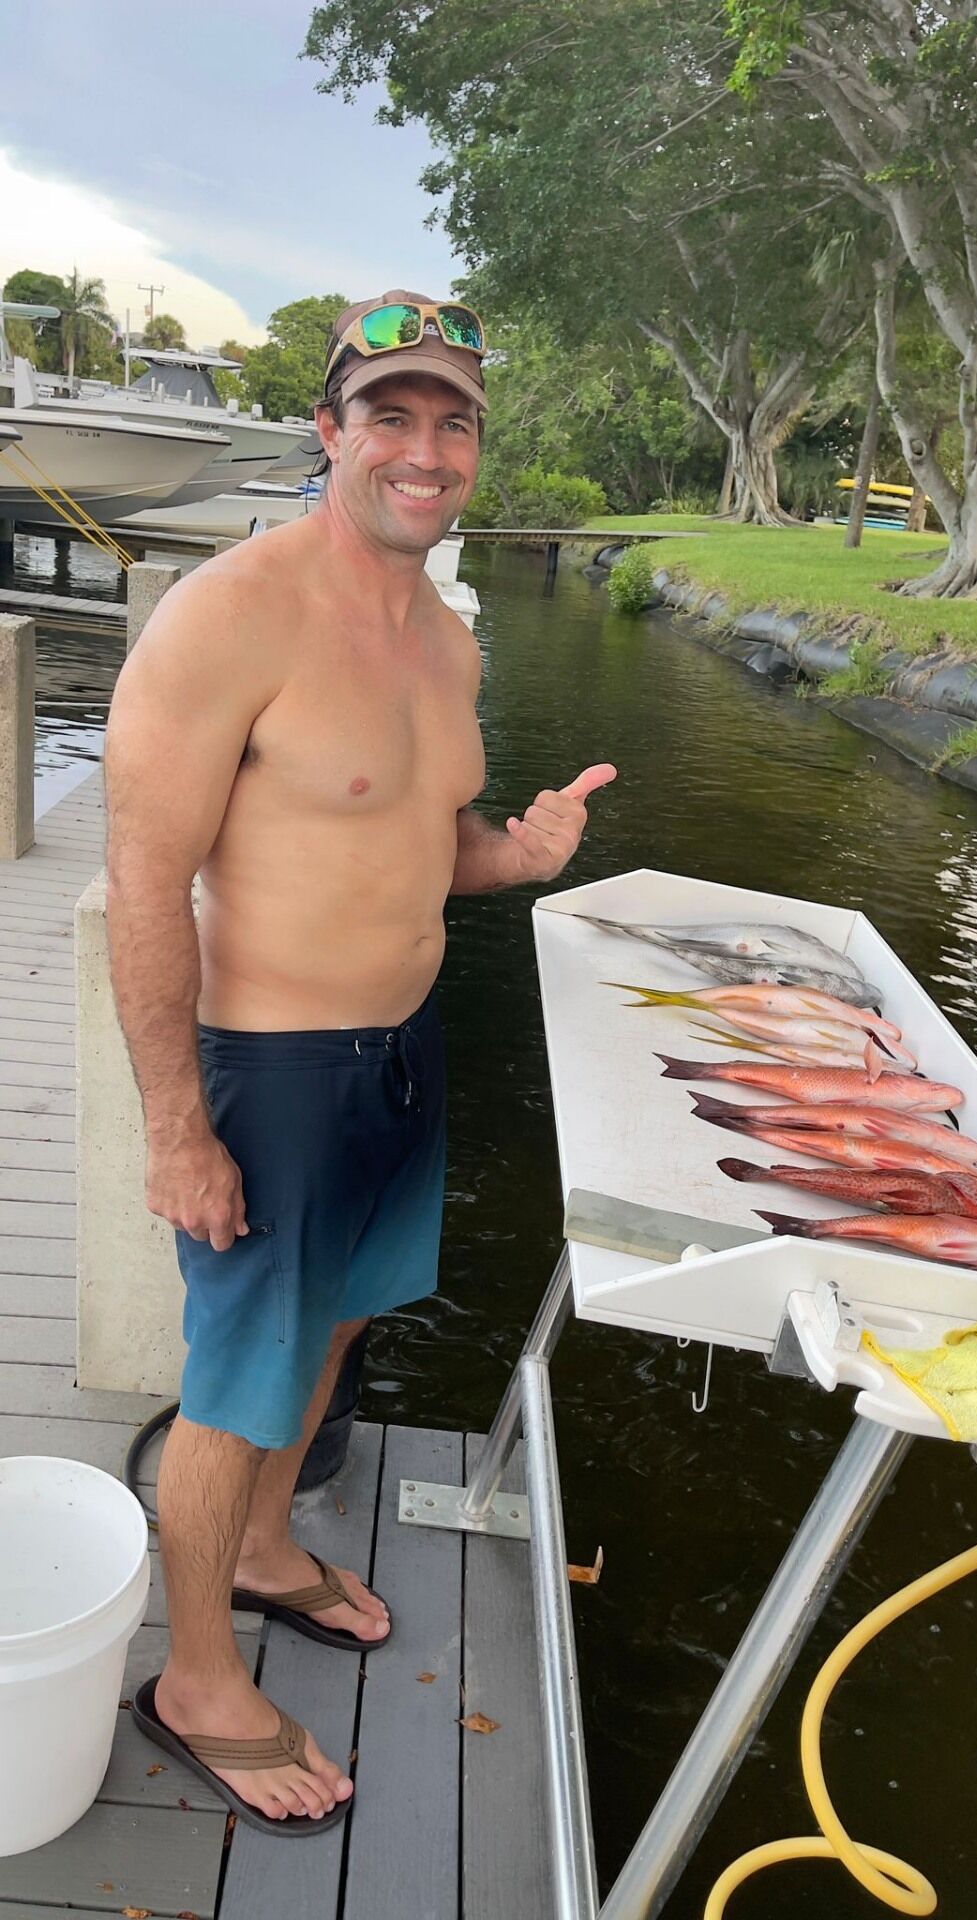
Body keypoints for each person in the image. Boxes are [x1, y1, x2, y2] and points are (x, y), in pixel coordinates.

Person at [104, 291, 616, 1833]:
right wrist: (178, 1128)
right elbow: (146, 881)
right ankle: (199, 1682)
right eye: (391, 414)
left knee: (336, 1326)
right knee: (234, 1383)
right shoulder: (231, 618)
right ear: (329, 430)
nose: (425, 449)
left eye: (453, 421)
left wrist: (517, 853)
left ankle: (268, 1551)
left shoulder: (446, 639)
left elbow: (420, 842)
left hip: (399, 1053)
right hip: (268, 1074)